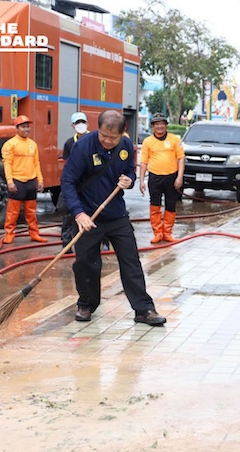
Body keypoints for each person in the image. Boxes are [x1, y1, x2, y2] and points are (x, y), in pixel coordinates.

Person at [60, 110, 166, 326]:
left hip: (116, 214)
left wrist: (129, 179)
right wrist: (79, 213)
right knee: (85, 263)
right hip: (88, 214)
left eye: (112, 138)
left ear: (122, 134)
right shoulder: (83, 147)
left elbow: (130, 172)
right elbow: (67, 181)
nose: (107, 141)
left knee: (131, 261)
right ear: (98, 129)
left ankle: (144, 309)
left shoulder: (126, 146)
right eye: (103, 136)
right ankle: (87, 304)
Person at [139, 113, 185, 244]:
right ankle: (158, 233)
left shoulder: (175, 140)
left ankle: (167, 233)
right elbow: (143, 162)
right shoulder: (148, 142)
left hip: (172, 176)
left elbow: (181, 158)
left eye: (162, 123)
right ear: (153, 126)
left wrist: (179, 177)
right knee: (155, 205)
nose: (159, 126)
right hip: (154, 177)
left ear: (166, 125)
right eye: (157, 124)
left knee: (171, 205)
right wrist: (141, 180)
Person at [1, 115, 47, 244]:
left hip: (31, 181)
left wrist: (40, 180)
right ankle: (9, 234)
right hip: (17, 181)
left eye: (28, 126)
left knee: (31, 212)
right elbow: (7, 164)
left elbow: (36, 163)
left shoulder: (33, 144)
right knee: (12, 212)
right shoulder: (10, 144)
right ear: (17, 128)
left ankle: (34, 233)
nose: (26, 129)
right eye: (23, 127)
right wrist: (9, 181)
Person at [59, 111, 90, 247]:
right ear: (73, 126)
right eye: (78, 123)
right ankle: (66, 241)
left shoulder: (94, 140)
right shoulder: (69, 144)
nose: (81, 125)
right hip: (75, 183)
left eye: (83, 122)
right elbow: (66, 165)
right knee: (68, 212)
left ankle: (103, 241)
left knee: (94, 212)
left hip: (90, 183)